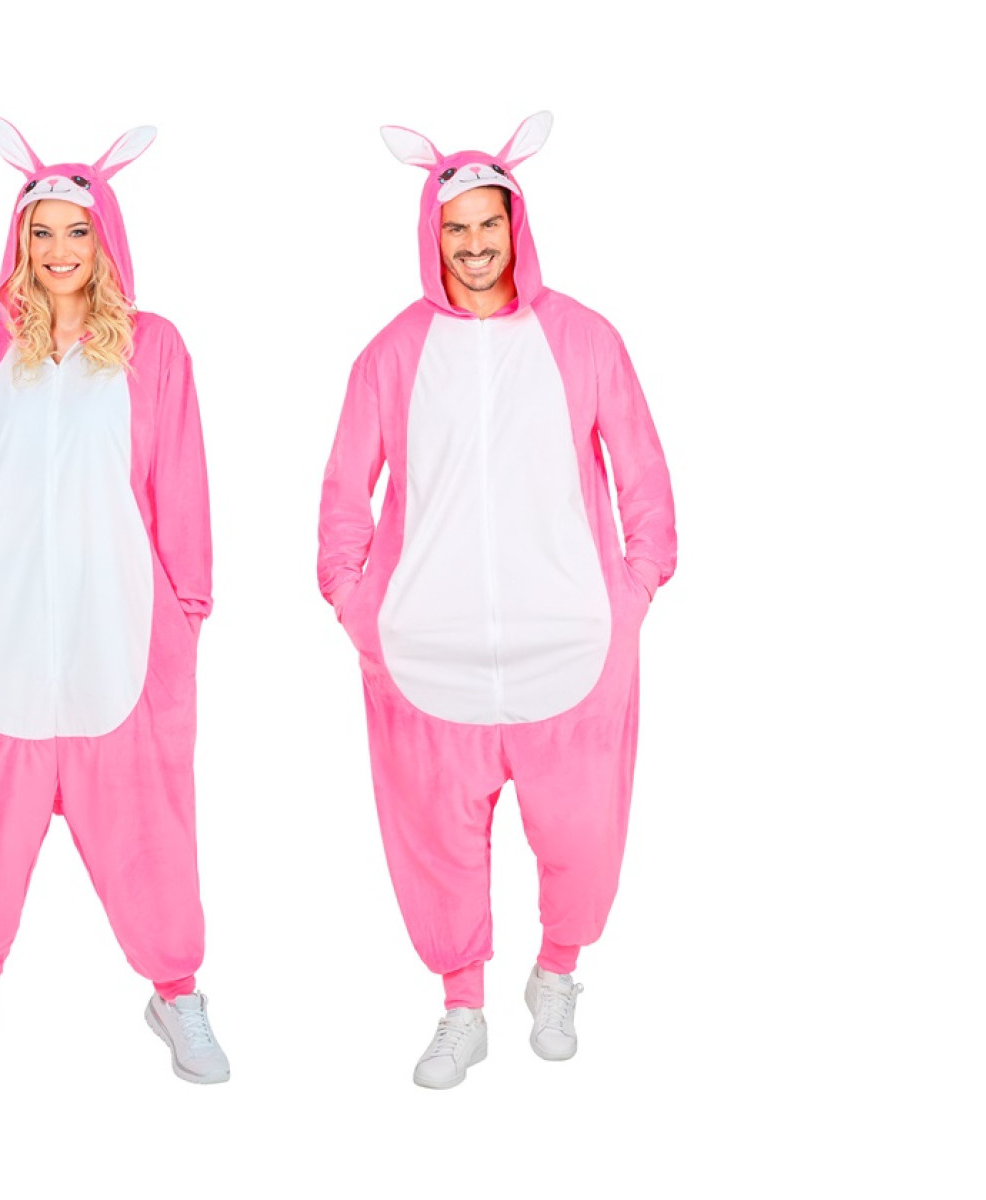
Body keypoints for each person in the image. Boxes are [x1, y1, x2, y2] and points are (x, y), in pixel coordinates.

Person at [317, 111, 676, 1089]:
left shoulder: (584, 339)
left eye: (489, 224)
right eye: (455, 228)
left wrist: (632, 592)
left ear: (517, 225)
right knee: (438, 843)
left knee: (582, 836)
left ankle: (555, 975)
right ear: (431, 235)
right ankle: (461, 1008)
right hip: (425, 652)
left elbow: (642, 476)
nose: (474, 245)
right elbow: (345, 494)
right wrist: (357, 606)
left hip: (572, 644)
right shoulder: (391, 353)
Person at [0, 118, 228, 1085]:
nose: (58, 251)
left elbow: (181, 486)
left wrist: (184, 617)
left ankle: (178, 994)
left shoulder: (154, 350)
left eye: (76, 232)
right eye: (41, 233)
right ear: (20, 243)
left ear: (106, 238)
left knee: (150, 832)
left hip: (120, 639)